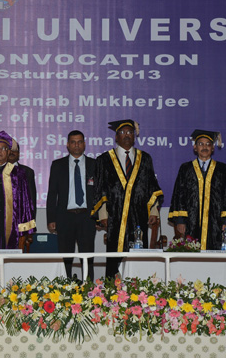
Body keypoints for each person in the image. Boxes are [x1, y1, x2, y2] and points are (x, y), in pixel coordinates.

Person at [92, 120, 163, 278]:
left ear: (134, 137)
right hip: (114, 216)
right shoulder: (104, 159)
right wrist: (103, 215)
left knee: (138, 255)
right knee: (113, 255)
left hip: (139, 215)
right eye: (122, 133)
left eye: (130, 132)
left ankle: (140, 293)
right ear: (116, 137)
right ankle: (111, 291)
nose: (126, 136)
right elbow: (100, 188)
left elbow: (152, 186)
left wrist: (153, 211)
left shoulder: (144, 158)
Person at [168, 129, 226, 250]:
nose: (204, 147)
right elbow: (179, 195)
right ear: (195, 148)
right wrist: (180, 220)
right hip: (191, 222)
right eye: (201, 144)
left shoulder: (223, 169)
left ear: (213, 148)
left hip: (216, 222)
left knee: (215, 253)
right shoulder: (185, 168)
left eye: (208, 144)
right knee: (191, 253)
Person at [46, 130, 97, 280]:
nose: (77, 145)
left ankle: (89, 288)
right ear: (68, 145)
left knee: (87, 256)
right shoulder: (58, 165)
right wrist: (51, 219)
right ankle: (65, 288)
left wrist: (99, 217)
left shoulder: (94, 165)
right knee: (66, 257)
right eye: (73, 142)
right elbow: (52, 194)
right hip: (65, 217)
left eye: (80, 142)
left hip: (87, 218)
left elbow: (100, 193)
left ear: (84, 144)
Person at [8, 141, 37, 220]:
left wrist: (31, 220)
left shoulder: (27, 172)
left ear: (19, 153)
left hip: (20, 219)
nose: (12, 152)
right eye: (9, 150)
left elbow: (31, 199)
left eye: (15, 150)